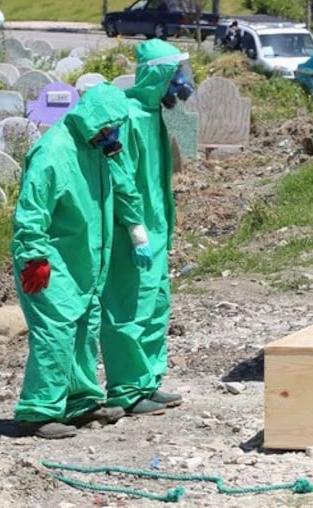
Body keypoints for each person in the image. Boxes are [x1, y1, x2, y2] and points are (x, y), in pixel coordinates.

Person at [11, 82, 144, 439]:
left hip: (83, 263)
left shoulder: (96, 150)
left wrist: (136, 232)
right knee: (54, 335)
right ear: (92, 118)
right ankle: (38, 411)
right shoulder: (54, 151)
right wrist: (33, 255)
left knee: (84, 330)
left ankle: (80, 401)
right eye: (107, 126)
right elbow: (31, 209)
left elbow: (120, 192)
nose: (111, 133)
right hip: (49, 264)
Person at [101, 39, 193, 416]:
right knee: (129, 308)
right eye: (177, 75)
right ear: (159, 75)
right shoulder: (128, 117)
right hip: (132, 234)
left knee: (156, 307)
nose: (183, 84)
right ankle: (126, 389)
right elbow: (121, 177)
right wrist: (136, 227)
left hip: (156, 230)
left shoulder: (155, 113)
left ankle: (148, 381)